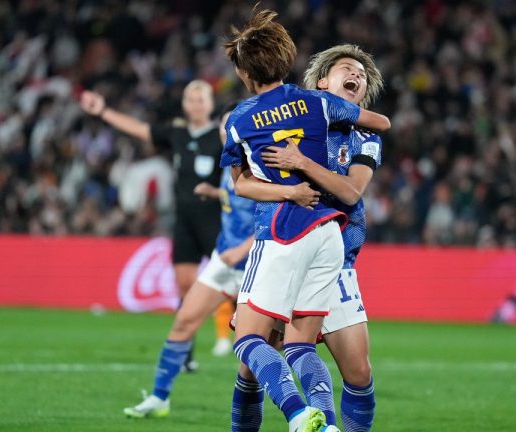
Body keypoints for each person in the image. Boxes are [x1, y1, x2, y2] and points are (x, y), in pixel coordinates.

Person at [220, 8, 390, 432]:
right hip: (291, 236)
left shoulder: (362, 137)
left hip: (334, 259)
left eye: (362, 75)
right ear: (322, 82)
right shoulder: (306, 109)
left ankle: (316, 421)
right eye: (346, 69)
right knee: (252, 368)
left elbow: (350, 193)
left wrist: (300, 164)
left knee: (358, 374)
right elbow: (244, 182)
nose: (357, 76)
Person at [121, 104, 321, 419]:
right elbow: (238, 199)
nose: (227, 132)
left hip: (262, 264)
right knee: (185, 320)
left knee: (263, 354)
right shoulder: (229, 163)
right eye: (224, 127)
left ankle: (301, 412)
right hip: (224, 260)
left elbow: (280, 214)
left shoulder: (264, 162)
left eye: (233, 126)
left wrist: (242, 250)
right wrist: (216, 193)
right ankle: (159, 397)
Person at [80, 80, 221, 369]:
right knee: (185, 285)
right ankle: (186, 352)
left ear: (210, 104)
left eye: (201, 99)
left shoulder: (221, 135)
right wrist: (103, 111)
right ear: (184, 104)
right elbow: (140, 129)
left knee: (233, 285)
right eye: (191, 99)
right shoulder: (178, 133)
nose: (196, 104)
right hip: (184, 221)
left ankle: (255, 342)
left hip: (216, 220)